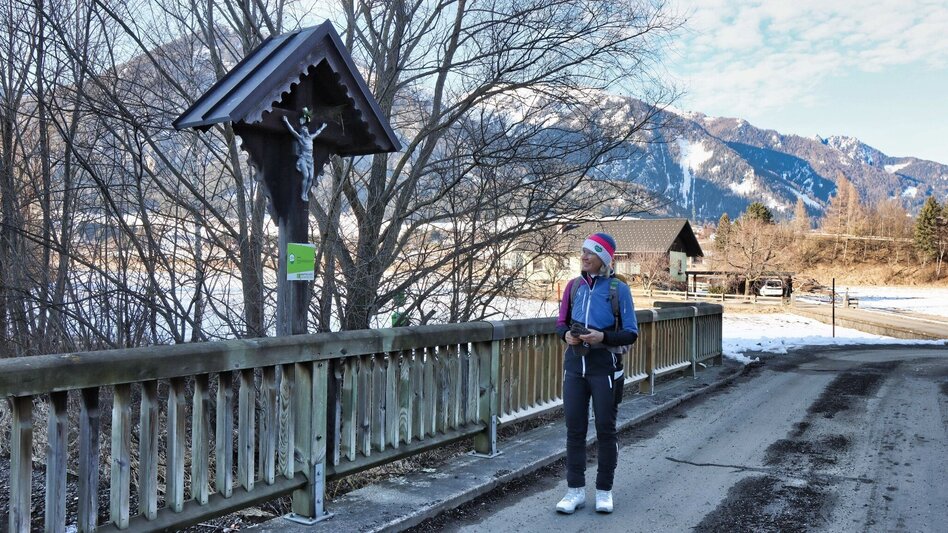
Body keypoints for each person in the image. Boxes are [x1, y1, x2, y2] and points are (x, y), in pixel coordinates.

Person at [554, 232, 638, 514]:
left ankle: (604, 491)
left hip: (605, 368)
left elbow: (631, 333)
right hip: (575, 367)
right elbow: (560, 323)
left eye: (591, 252)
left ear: (604, 258)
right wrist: (566, 335)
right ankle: (575, 491)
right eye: (583, 252)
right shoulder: (573, 286)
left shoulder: (618, 289)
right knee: (575, 430)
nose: (584, 257)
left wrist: (603, 337)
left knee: (605, 430)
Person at [282, 115, 327, 201]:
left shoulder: (311, 138)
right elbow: (293, 131)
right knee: (306, 176)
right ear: (302, 132)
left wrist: (323, 127)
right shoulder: (301, 138)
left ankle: (306, 193)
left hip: (310, 160)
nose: (306, 131)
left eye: (306, 129)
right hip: (303, 159)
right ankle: (303, 193)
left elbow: (318, 132)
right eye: (304, 130)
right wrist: (286, 121)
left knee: (311, 178)